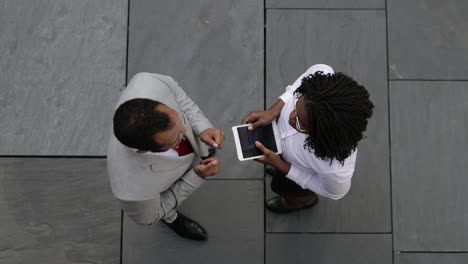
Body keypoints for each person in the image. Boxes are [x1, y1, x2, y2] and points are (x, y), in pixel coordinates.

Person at [107, 72, 224, 241]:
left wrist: (203, 129)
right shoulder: (132, 191)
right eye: (175, 139)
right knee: (164, 211)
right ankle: (172, 219)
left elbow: (180, 98)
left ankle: (199, 151)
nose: (185, 131)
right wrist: (196, 176)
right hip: (159, 187)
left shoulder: (149, 81)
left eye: (178, 121)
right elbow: (151, 215)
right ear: (143, 151)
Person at [242, 64, 374, 213]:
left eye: (299, 122)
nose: (291, 116)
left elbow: (332, 192)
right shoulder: (322, 76)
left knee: (284, 188)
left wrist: (280, 165)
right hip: (280, 152)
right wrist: (274, 110)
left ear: (322, 133)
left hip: (297, 176)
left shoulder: (335, 168)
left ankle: (298, 203)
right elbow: (295, 88)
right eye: (296, 104)